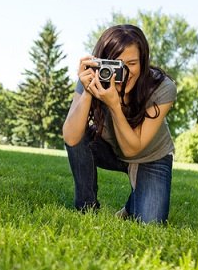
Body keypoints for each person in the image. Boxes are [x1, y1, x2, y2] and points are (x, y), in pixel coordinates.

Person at [62, 24, 176, 223]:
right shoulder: (92, 75)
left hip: (150, 156)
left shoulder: (162, 87)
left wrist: (114, 105)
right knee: (80, 134)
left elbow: (132, 150)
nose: (123, 72)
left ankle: (134, 203)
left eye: (131, 63)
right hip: (110, 148)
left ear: (143, 62)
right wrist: (88, 90)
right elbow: (71, 137)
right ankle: (86, 208)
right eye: (115, 64)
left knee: (151, 223)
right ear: (103, 62)